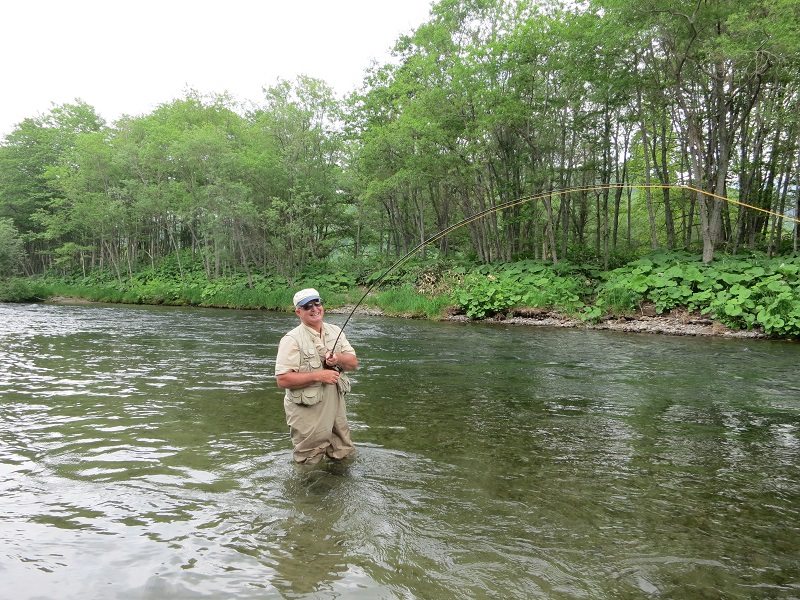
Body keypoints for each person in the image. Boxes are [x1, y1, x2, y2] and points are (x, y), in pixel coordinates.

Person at [275, 288, 358, 465]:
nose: (314, 309)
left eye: (317, 303)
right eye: (307, 306)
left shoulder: (336, 331)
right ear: (299, 312)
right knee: (308, 459)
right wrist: (319, 376)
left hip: (335, 404)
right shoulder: (291, 339)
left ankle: (340, 489)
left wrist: (338, 358)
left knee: (343, 451)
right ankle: (304, 491)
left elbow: (353, 363)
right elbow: (283, 380)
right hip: (306, 409)